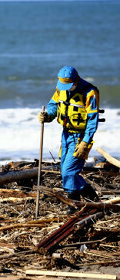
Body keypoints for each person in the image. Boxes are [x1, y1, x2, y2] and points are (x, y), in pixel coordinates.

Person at [38, 66, 100, 211]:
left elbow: (92, 120)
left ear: (76, 80)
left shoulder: (90, 93)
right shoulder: (61, 89)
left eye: (68, 85)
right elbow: (54, 105)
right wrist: (48, 116)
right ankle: (93, 200)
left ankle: (74, 205)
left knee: (69, 171)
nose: (65, 88)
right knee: (66, 170)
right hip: (66, 135)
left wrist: (85, 142)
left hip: (80, 137)